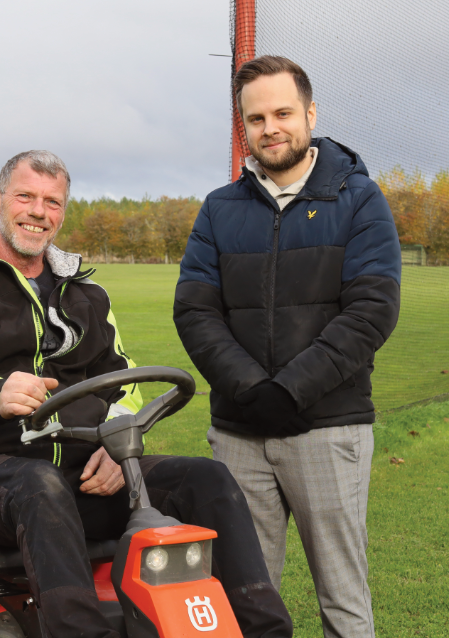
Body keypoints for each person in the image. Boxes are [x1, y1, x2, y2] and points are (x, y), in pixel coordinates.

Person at [0, 150, 292, 638]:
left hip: (84, 474)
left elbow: (122, 380)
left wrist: (113, 440)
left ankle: (265, 630)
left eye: (52, 202)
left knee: (207, 479)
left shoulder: (87, 294)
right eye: (25, 197)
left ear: (62, 212)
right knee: (40, 485)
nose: (38, 212)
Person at [174, 56, 401, 638]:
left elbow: (371, 311)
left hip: (328, 430)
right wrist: (253, 390)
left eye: (282, 113)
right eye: (256, 118)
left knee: (343, 600)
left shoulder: (361, 200)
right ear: (243, 128)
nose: (270, 128)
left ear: (310, 113)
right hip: (240, 432)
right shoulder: (220, 208)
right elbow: (196, 312)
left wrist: (290, 391)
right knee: (245, 598)